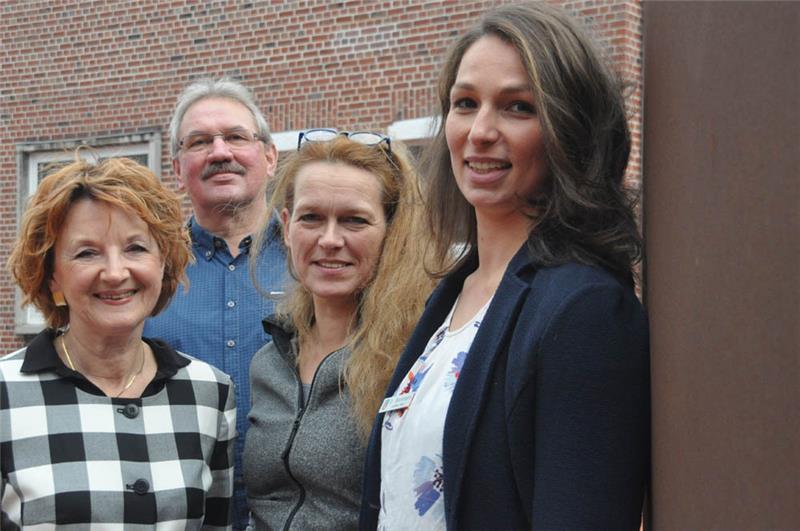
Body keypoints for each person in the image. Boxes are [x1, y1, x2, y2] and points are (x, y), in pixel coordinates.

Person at [360, 3, 650, 530]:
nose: (480, 131)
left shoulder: (586, 310)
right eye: (465, 103)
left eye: (517, 107)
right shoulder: (453, 293)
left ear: (570, 129)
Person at [2, 157, 235, 528]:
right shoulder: (5, 393)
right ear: (52, 277)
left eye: (136, 248)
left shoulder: (209, 392)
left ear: (164, 262)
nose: (114, 272)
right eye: (86, 253)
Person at [243, 130, 434, 530]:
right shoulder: (270, 360)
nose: (330, 240)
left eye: (354, 220)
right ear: (286, 225)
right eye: (311, 217)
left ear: (391, 231)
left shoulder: (415, 361)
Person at [143, 77, 285, 529]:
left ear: (269, 155)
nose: (219, 152)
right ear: (178, 166)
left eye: (236, 137)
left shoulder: (319, 257)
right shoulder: (146, 271)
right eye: (200, 142)